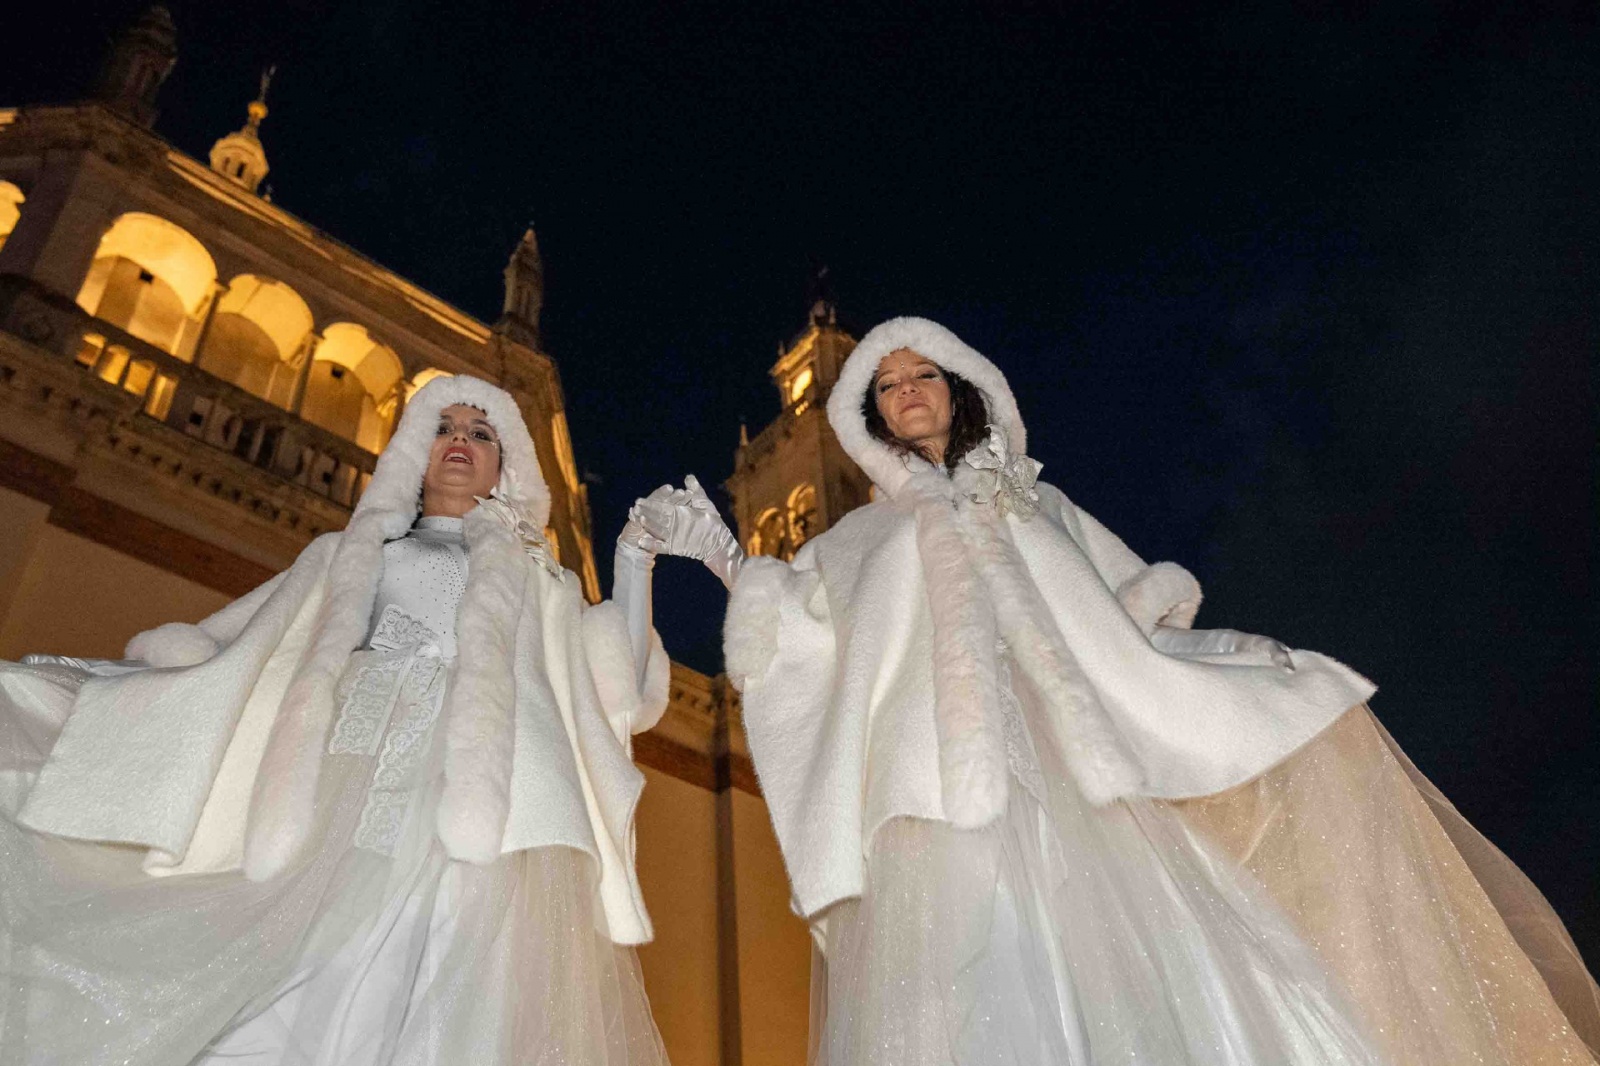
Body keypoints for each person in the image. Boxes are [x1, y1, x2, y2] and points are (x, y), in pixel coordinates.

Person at [631, 316, 1599, 1065]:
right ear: (866, 416)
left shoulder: (1036, 501)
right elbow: (797, 636)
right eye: (883, 384)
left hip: (1072, 785)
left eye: (922, 371)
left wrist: (1230, 650)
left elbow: (1123, 620)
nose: (906, 391)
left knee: (1151, 981)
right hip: (932, 802)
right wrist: (718, 550)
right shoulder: (855, 542)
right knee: (973, 995)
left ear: (961, 387)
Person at [0, 375, 673, 1066]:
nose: (461, 444)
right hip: (346, 774)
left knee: (437, 976)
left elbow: (614, 682)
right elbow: (248, 649)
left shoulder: (541, 582)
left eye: (482, 434)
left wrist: (633, 558)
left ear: (508, 467)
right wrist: (106, 684)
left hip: (478, 797)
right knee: (304, 972)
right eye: (445, 429)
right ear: (416, 451)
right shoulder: (355, 554)